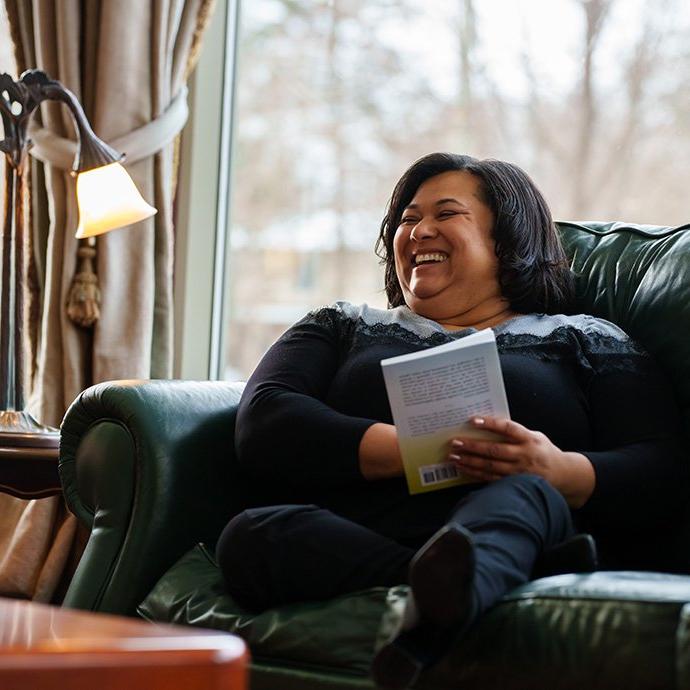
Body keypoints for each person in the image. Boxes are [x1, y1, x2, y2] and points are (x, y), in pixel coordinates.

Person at [215, 153, 686, 689]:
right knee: (251, 536)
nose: (419, 230)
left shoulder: (584, 338)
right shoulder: (342, 325)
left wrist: (557, 471)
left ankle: (466, 573)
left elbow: (661, 464)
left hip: (514, 512)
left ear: (507, 240)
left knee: (524, 494)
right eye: (408, 218)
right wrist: (420, 447)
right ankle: (460, 582)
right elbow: (265, 420)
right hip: (360, 529)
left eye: (446, 213)